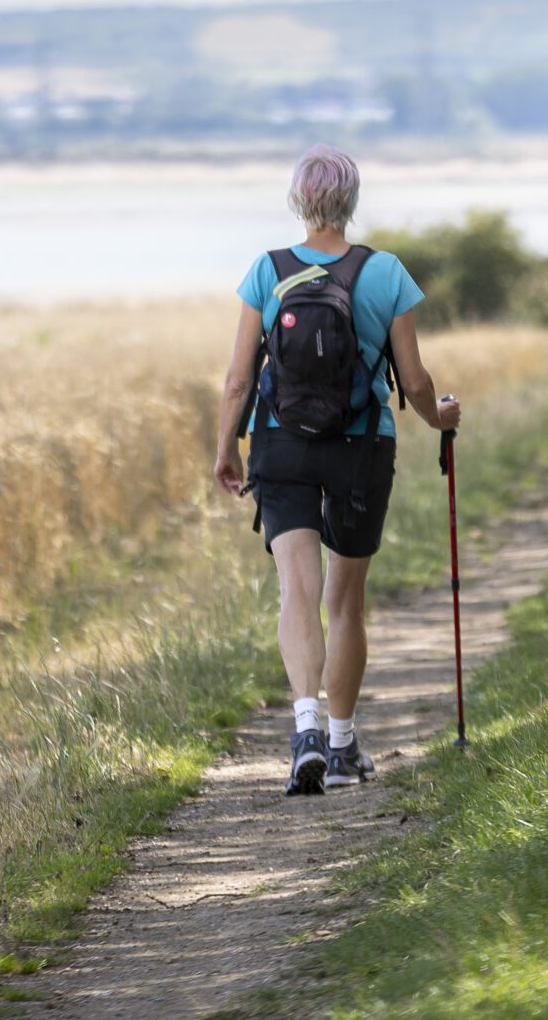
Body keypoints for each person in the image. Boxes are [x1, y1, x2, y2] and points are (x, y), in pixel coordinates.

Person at [213, 144, 462, 795]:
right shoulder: (386, 274)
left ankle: (305, 731)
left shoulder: (266, 272)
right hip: (360, 447)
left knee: (297, 587)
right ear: (350, 203)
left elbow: (239, 376)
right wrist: (441, 417)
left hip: (280, 444)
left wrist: (225, 449)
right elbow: (412, 381)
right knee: (345, 599)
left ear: (299, 201)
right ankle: (344, 741)